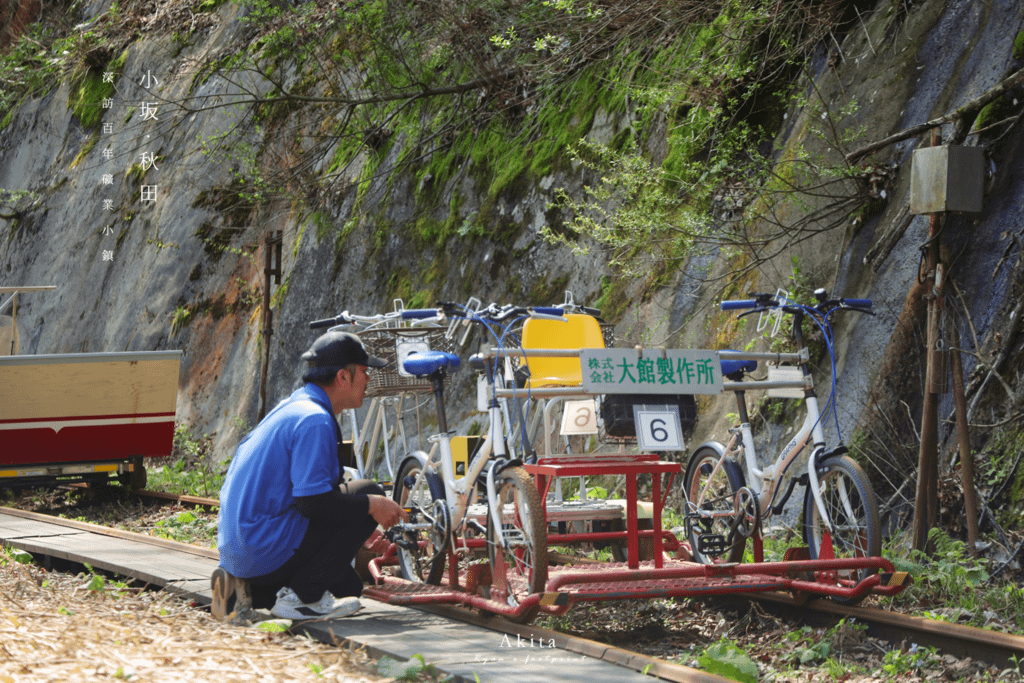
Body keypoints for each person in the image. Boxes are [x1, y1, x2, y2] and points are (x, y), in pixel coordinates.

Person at [212, 330, 408, 621]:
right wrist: (373, 505)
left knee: (349, 588)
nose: (369, 380)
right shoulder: (314, 420)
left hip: (243, 547)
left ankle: (248, 591)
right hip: (265, 545)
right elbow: (313, 505)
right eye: (365, 372)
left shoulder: (295, 406)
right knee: (369, 492)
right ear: (343, 377)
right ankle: (303, 598)